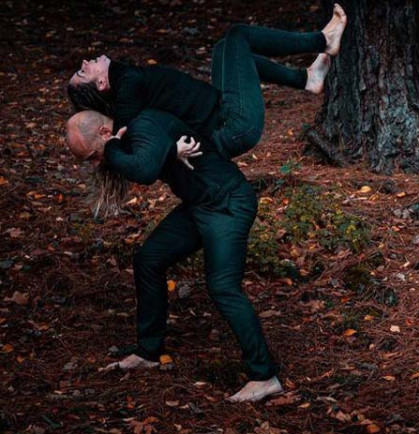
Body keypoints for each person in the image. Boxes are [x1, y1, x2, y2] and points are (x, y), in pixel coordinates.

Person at [65, 108, 281, 403]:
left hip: (226, 203)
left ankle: (264, 376)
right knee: (149, 260)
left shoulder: (140, 129)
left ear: (105, 134)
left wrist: (116, 149)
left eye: (92, 156)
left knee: (222, 287)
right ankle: (148, 352)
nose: (96, 163)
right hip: (199, 205)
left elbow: (144, 170)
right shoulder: (134, 133)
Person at [67, 4, 347, 159]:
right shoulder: (127, 90)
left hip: (222, 111)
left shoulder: (126, 84)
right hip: (234, 127)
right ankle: (323, 40)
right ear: (102, 84)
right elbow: (128, 139)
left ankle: (308, 80)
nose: (83, 64)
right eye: (82, 74)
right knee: (238, 36)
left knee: (223, 48)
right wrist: (170, 151)